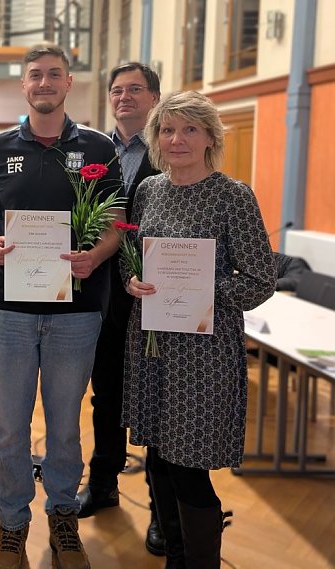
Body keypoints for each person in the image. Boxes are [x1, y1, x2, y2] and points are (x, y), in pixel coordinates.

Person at [0, 43, 123, 569]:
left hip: (76, 314)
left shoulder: (98, 147)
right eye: (35, 75)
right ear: (24, 84)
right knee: (10, 429)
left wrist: (94, 256)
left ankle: (63, 518)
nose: (44, 83)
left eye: (54, 74)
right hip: (8, 313)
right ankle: (12, 526)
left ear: (68, 82)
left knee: (64, 427)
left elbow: (115, 224)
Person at [122, 91, 275, 568]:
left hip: (204, 355)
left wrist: (202, 287)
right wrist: (132, 281)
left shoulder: (233, 196)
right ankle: (176, 555)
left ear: (210, 137)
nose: (177, 139)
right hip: (151, 346)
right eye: (168, 129)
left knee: (188, 466)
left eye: (190, 129)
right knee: (159, 460)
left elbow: (260, 280)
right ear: (156, 137)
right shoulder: (149, 191)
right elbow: (134, 258)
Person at [77, 62, 166, 555]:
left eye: (135, 89)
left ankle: (161, 508)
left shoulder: (170, 148)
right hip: (104, 295)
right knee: (105, 394)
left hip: (157, 295)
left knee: (157, 399)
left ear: (154, 97)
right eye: (117, 90)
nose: (124, 97)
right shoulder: (95, 150)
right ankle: (103, 483)